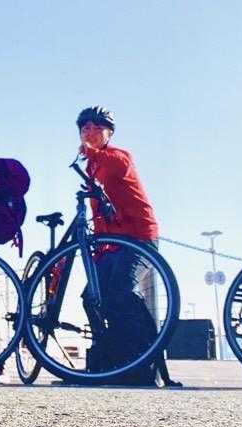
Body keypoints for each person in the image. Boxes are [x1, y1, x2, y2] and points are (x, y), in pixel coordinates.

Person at [76, 106, 180, 388]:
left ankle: (143, 362)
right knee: (91, 297)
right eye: (85, 128)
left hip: (137, 237)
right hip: (110, 244)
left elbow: (116, 167)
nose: (90, 132)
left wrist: (91, 152)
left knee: (120, 292)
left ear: (109, 133)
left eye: (97, 127)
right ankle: (110, 357)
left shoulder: (117, 156)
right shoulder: (92, 166)